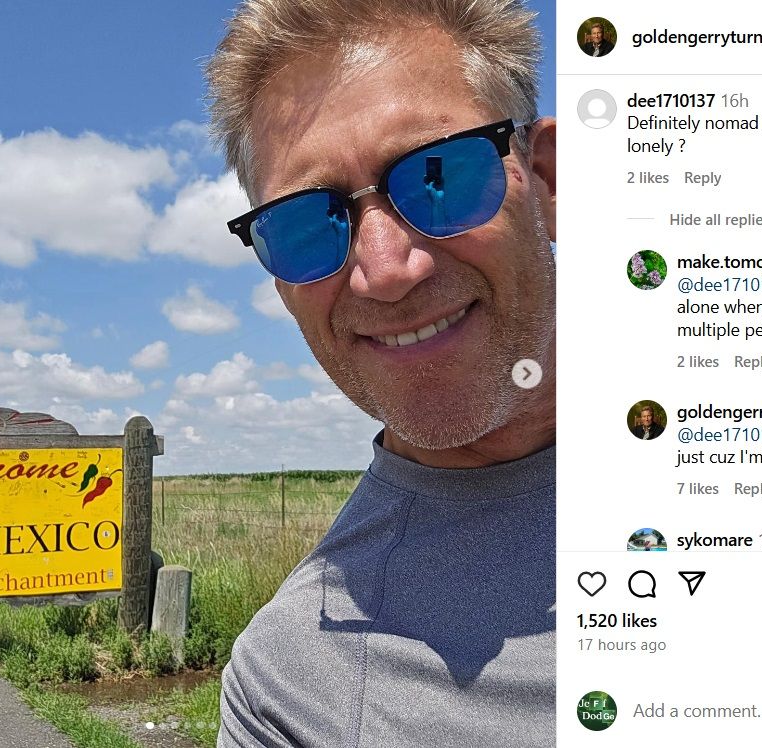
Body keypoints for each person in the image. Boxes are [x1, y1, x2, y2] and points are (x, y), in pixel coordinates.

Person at [206, 0, 556, 745]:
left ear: (548, 182)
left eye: (440, 177)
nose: (386, 271)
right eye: (305, 223)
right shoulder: (291, 687)